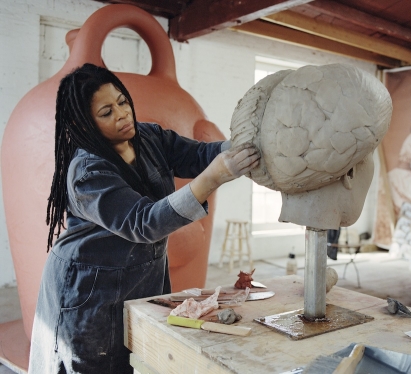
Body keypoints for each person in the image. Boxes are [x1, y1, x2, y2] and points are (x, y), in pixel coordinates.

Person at [28, 63, 260, 374]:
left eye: (122, 101)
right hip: (89, 289)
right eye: (106, 112)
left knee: (135, 359)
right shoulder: (87, 171)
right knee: (94, 365)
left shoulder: (149, 136)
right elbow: (143, 222)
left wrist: (249, 145)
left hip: (141, 278)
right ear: (82, 123)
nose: (122, 115)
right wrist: (213, 178)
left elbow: (200, 155)